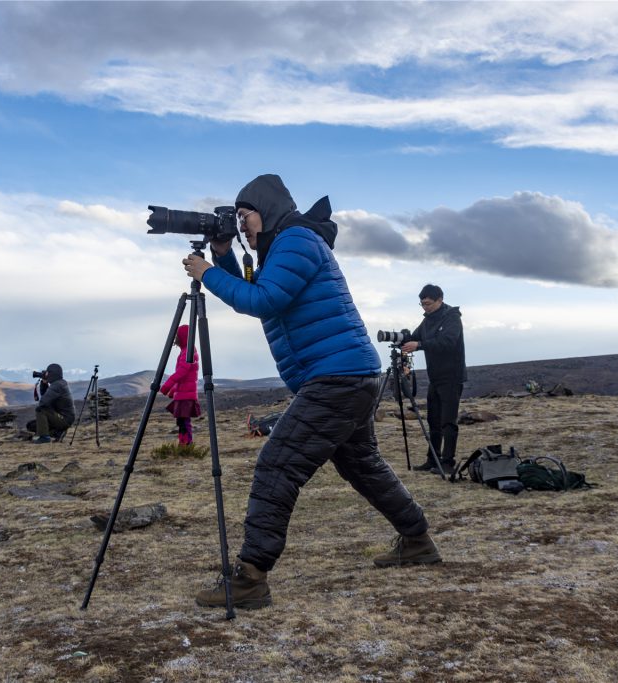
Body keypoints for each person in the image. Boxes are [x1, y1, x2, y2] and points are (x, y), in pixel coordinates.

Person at [182, 173, 441, 610]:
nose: (242, 225)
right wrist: (224, 258)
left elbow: (263, 301)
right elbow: (261, 294)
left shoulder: (296, 241)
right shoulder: (287, 245)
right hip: (347, 375)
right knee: (361, 465)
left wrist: (206, 272)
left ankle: (250, 578)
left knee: (276, 465)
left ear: (266, 210)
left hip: (336, 378)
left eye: (245, 216)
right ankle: (417, 540)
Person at [401, 284, 467, 474]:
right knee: (433, 420)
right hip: (435, 378)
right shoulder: (427, 320)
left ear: (439, 300)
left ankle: (448, 463)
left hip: (452, 377)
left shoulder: (452, 317)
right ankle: (433, 459)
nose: (425, 308)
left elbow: (448, 342)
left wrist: (419, 345)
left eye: (428, 304)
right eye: (422, 304)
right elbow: (413, 338)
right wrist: (402, 339)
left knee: (448, 421)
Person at [160, 324, 201, 446]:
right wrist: (173, 391)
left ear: (183, 337)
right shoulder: (186, 351)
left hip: (186, 395)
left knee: (184, 421)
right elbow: (183, 376)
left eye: (177, 336)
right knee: (182, 421)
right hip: (183, 393)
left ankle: (187, 444)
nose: (175, 339)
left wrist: (166, 386)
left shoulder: (188, 352)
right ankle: (183, 443)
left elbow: (181, 372)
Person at [32, 363, 75, 444]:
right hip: (63, 417)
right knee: (31, 425)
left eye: (47, 373)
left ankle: (45, 438)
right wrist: (44, 383)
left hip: (64, 419)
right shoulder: (59, 383)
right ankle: (57, 433)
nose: (46, 374)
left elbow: (43, 403)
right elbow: (46, 397)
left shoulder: (57, 385)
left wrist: (45, 382)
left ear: (52, 373)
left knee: (40, 410)